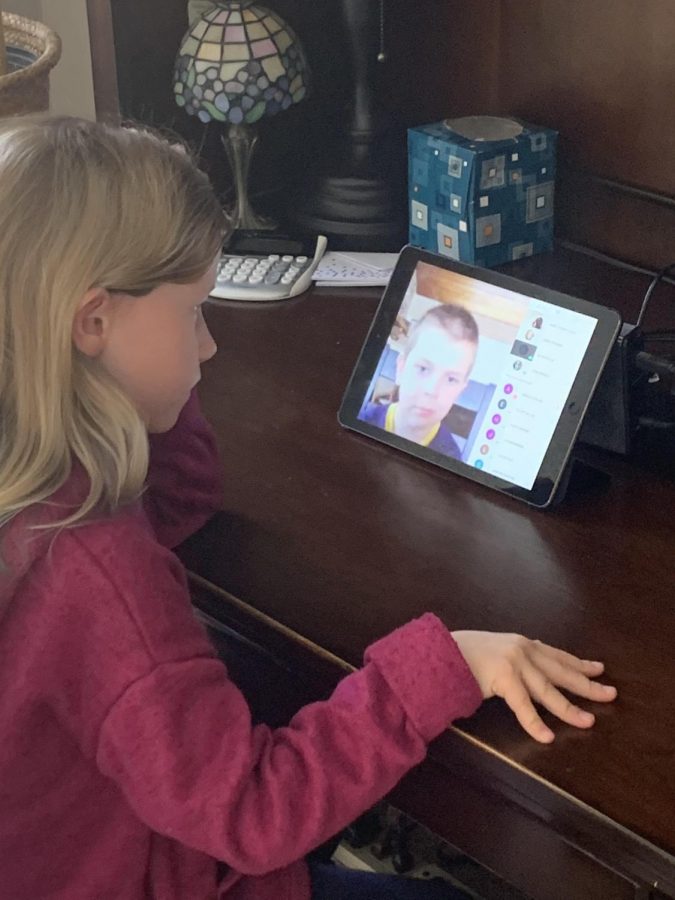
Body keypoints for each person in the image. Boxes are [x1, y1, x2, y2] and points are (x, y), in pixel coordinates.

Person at [0, 117, 617, 900]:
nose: (211, 346)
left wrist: (148, 387)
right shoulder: (94, 567)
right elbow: (252, 815)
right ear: (92, 321)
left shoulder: (34, 487)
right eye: (194, 312)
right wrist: (447, 664)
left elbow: (181, 503)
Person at [360, 305, 479, 459]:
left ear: (459, 392)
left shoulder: (452, 460)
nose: (432, 390)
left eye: (451, 379)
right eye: (423, 369)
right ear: (401, 369)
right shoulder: (363, 421)